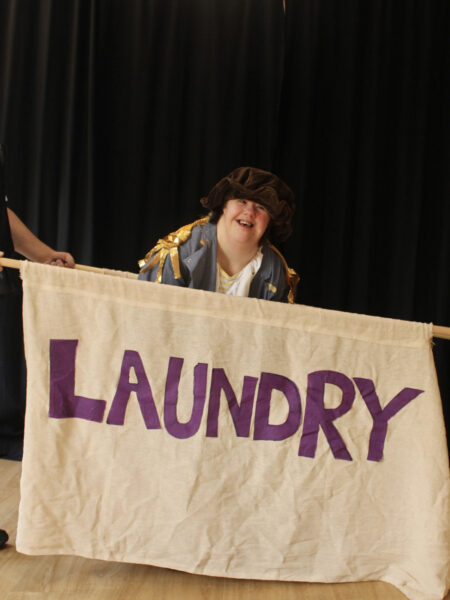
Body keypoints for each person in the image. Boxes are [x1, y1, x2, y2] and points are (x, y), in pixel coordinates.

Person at [138, 166, 299, 303]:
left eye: (261, 207)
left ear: (270, 219)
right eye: (242, 201)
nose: (249, 212)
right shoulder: (181, 250)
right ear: (224, 205)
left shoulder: (274, 270)